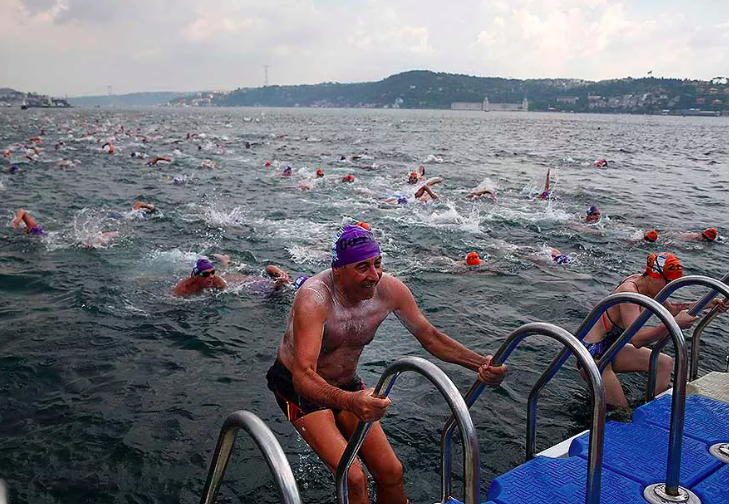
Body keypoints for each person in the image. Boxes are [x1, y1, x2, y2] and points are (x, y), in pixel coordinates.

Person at [266, 225, 507, 504]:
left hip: (347, 385)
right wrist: (350, 401)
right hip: (296, 389)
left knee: (392, 472)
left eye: (378, 263)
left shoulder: (389, 290)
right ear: (338, 269)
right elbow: (303, 375)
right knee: (353, 478)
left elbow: (430, 337)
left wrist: (481, 364)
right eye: (362, 267)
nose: (374, 275)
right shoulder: (314, 298)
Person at [582, 252, 729, 407]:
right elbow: (637, 339)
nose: (669, 288)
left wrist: (708, 304)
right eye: (668, 283)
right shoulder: (630, 293)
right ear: (654, 276)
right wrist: (674, 324)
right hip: (594, 356)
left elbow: (672, 309)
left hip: (612, 347)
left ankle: (653, 409)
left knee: (664, 363)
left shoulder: (647, 284)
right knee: (622, 413)